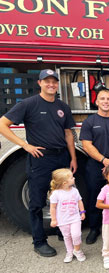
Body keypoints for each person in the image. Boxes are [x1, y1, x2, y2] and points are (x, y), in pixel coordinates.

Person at [0, 69, 77, 257]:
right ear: (40, 83)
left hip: (61, 157)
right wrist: (24, 145)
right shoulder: (28, 104)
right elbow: (2, 124)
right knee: (37, 201)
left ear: (57, 84)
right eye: (47, 81)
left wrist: (73, 157)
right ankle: (39, 241)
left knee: (62, 197)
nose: (51, 84)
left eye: (54, 81)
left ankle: (61, 230)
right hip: (40, 159)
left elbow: (68, 133)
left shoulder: (63, 107)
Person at [80, 89, 109, 245]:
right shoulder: (90, 122)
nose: (106, 101)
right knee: (95, 196)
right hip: (95, 165)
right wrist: (103, 160)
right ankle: (94, 229)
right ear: (97, 102)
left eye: (108, 99)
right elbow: (86, 145)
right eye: (102, 99)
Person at [49, 168, 86, 263]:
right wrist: (53, 219)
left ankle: (77, 250)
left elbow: (79, 201)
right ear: (64, 183)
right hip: (62, 220)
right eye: (71, 177)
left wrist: (82, 212)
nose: (74, 178)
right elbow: (52, 208)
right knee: (67, 236)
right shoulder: (56, 194)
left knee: (76, 235)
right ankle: (69, 252)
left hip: (75, 218)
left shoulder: (75, 191)